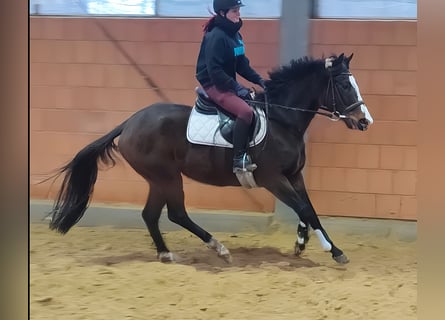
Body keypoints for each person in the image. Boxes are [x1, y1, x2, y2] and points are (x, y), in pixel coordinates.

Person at [195, 0, 266, 173]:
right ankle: (238, 159)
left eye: (238, 10)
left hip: (225, 81)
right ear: (222, 13)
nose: (238, 14)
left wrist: (261, 81)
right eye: (234, 11)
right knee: (245, 112)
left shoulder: (236, 37)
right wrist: (239, 89)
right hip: (213, 83)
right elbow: (215, 72)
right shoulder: (216, 36)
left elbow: (242, 66)